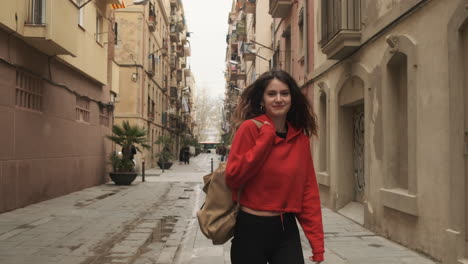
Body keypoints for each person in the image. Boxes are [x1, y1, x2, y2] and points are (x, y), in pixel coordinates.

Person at [225, 70, 324, 264]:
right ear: (262, 99)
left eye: (284, 93)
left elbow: (308, 191)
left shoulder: (300, 139)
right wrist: (265, 139)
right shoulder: (249, 129)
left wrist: (317, 243)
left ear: (292, 98)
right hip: (250, 228)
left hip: (286, 229)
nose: (279, 99)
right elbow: (233, 177)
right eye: (272, 94)